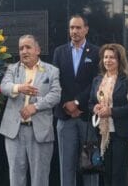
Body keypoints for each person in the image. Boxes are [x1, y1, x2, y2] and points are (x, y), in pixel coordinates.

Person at [0, 35, 62, 186]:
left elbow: (56, 95)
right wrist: (19, 87)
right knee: (16, 177)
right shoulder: (12, 69)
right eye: (21, 48)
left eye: (28, 47)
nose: (24, 51)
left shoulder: (51, 71)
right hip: (14, 132)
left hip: (39, 132)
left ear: (38, 50)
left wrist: (35, 107)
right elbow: (4, 87)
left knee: (40, 178)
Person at [52, 15, 100, 186]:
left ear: (86, 29)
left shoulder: (96, 52)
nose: (75, 31)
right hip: (65, 117)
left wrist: (77, 102)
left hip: (87, 116)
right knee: (66, 166)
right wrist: (67, 105)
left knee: (90, 165)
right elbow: (55, 81)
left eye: (78, 27)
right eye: (72, 28)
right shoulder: (59, 52)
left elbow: (96, 81)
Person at [88, 43, 128, 186]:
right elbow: (90, 103)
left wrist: (111, 111)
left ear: (120, 60)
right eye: (105, 57)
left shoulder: (127, 80)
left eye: (112, 57)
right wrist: (95, 108)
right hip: (102, 133)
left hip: (121, 133)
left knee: (119, 173)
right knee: (105, 172)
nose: (108, 60)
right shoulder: (97, 80)